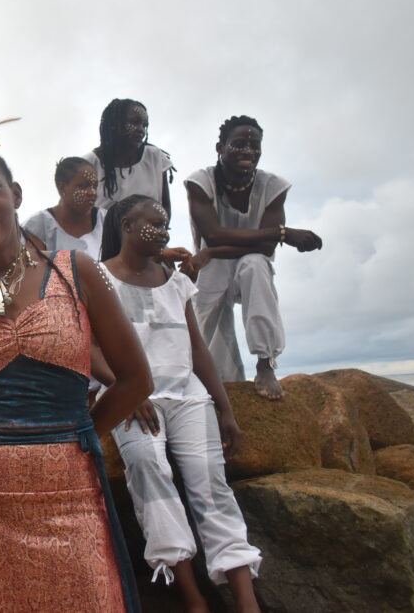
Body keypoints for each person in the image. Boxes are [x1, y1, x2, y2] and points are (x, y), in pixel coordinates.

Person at [0, 134, 154, 611]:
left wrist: (82, 434)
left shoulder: (75, 272)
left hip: (71, 494)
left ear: (17, 195)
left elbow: (135, 379)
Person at [99, 194, 263, 612]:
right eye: (153, 223)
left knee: (210, 478)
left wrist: (224, 408)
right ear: (127, 227)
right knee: (149, 469)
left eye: (166, 223)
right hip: (134, 398)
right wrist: (123, 389)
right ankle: (192, 597)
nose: (165, 231)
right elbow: (88, 344)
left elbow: (197, 347)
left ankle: (246, 599)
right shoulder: (100, 280)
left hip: (187, 395)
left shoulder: (174, 281)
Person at [182, 115, 322, 399]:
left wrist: (211, 251)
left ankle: (265, 362)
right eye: (239, 144)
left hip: (235, 259)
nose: (248, 150)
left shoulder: (273, 187)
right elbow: (214, 232)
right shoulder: (201, 182)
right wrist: (284, 233)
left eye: (254, 145)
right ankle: (225, 386)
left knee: (256, 266)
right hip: (212, 267)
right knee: (208, 329)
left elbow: (267, 249)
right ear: (220, 147)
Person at [84, 98, 173, 216]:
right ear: (114, 124)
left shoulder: (154, 156)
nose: (141, 130)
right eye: (135, 122)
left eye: (144, 125)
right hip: (101, 234)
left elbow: (165, 207)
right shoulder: (88, 164)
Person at [22, 156, 107, 258]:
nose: (92, 193)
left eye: (95, 186)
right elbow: (33, 268)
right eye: (83, 186)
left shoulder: (106, 220)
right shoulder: (38, 225)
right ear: (62, 188)